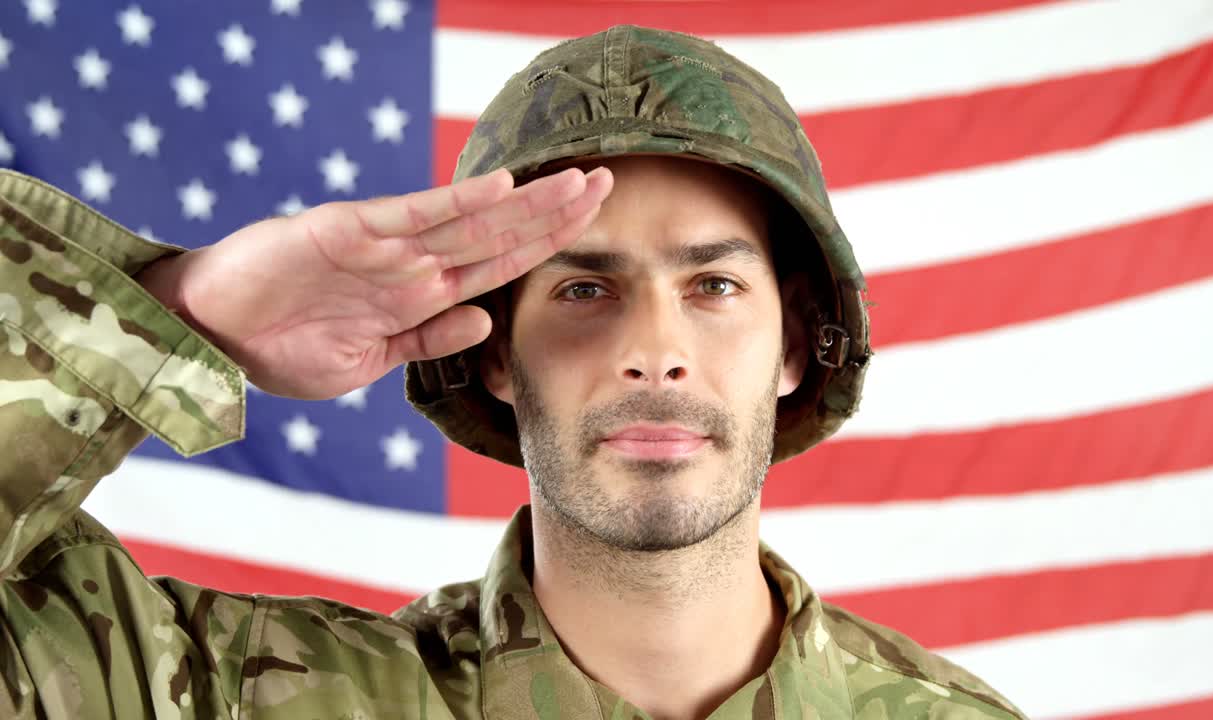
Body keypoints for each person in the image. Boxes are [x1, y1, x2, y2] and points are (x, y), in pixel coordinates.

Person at [0, 25, 1025, 720]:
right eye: (583, 289)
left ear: (796, 344)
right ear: (493, 352)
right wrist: (180, 310)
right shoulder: (248, 694)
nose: (654, 350)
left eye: (712, 287)